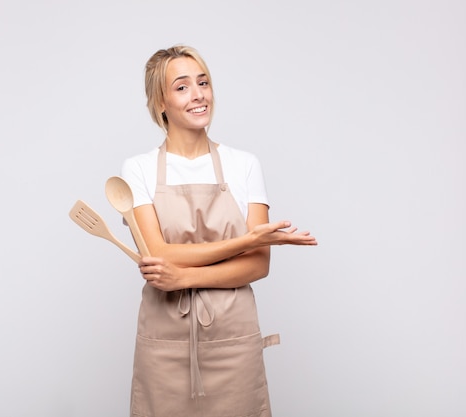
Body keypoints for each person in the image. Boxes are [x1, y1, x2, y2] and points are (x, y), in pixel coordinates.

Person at [119, 45, 317, 417]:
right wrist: (246, 240)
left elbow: (257, 266)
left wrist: (182, 276)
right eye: (182, 87)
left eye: (203, 82)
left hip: (233, 338)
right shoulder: (138, 170)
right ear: (160, 102)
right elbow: (158, 254)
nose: (198, 95)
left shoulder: (243, 164)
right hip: (165, 341)